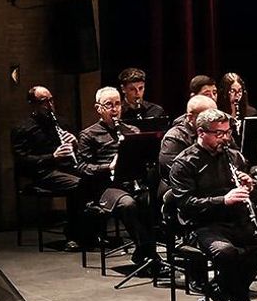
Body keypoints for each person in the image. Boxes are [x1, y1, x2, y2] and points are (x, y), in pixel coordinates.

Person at [168, 109, 257, 301]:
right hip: (203, 225)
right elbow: (186, 205)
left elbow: (253, 195)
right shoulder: (184, 163)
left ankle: (223, 287)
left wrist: (251, 186)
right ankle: (238, 292)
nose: (225, 138)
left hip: (235, 220)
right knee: (226, 252)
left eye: (228, 132)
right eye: (219, 133)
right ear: (201, 132)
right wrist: (223, 200)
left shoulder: (233, 156)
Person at [76, 86, 158, 269]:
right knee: (128, 204)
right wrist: (109, 166)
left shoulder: (131, 130)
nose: (114, 109)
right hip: (105, 187)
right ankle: (147, 253)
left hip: (131, 181)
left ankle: (147, 253)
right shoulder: (88, 135)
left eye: (117, 104)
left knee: (154, 199)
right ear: (98, 108)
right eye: (108, 105)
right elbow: (82, 168)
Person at [10, 85, 87, 249]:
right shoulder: (22, 128)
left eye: (51, 100)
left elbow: (79, 151)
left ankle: (90, 233)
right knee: (79, 185)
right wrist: (52, 157)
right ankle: (73, 236)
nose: (50, 105)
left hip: (65, 169)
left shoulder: (61, 122)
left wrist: (74, 144)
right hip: (42, 174)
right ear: (33, 104)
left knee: (92, 179)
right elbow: (22, 160)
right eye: (44, 101)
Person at [158, 94, 217, 178]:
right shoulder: (174, 138)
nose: (214, 122)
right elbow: (176, 173)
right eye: (208, 117)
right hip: (180, 188)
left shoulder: (219, 133)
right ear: (190, 118)